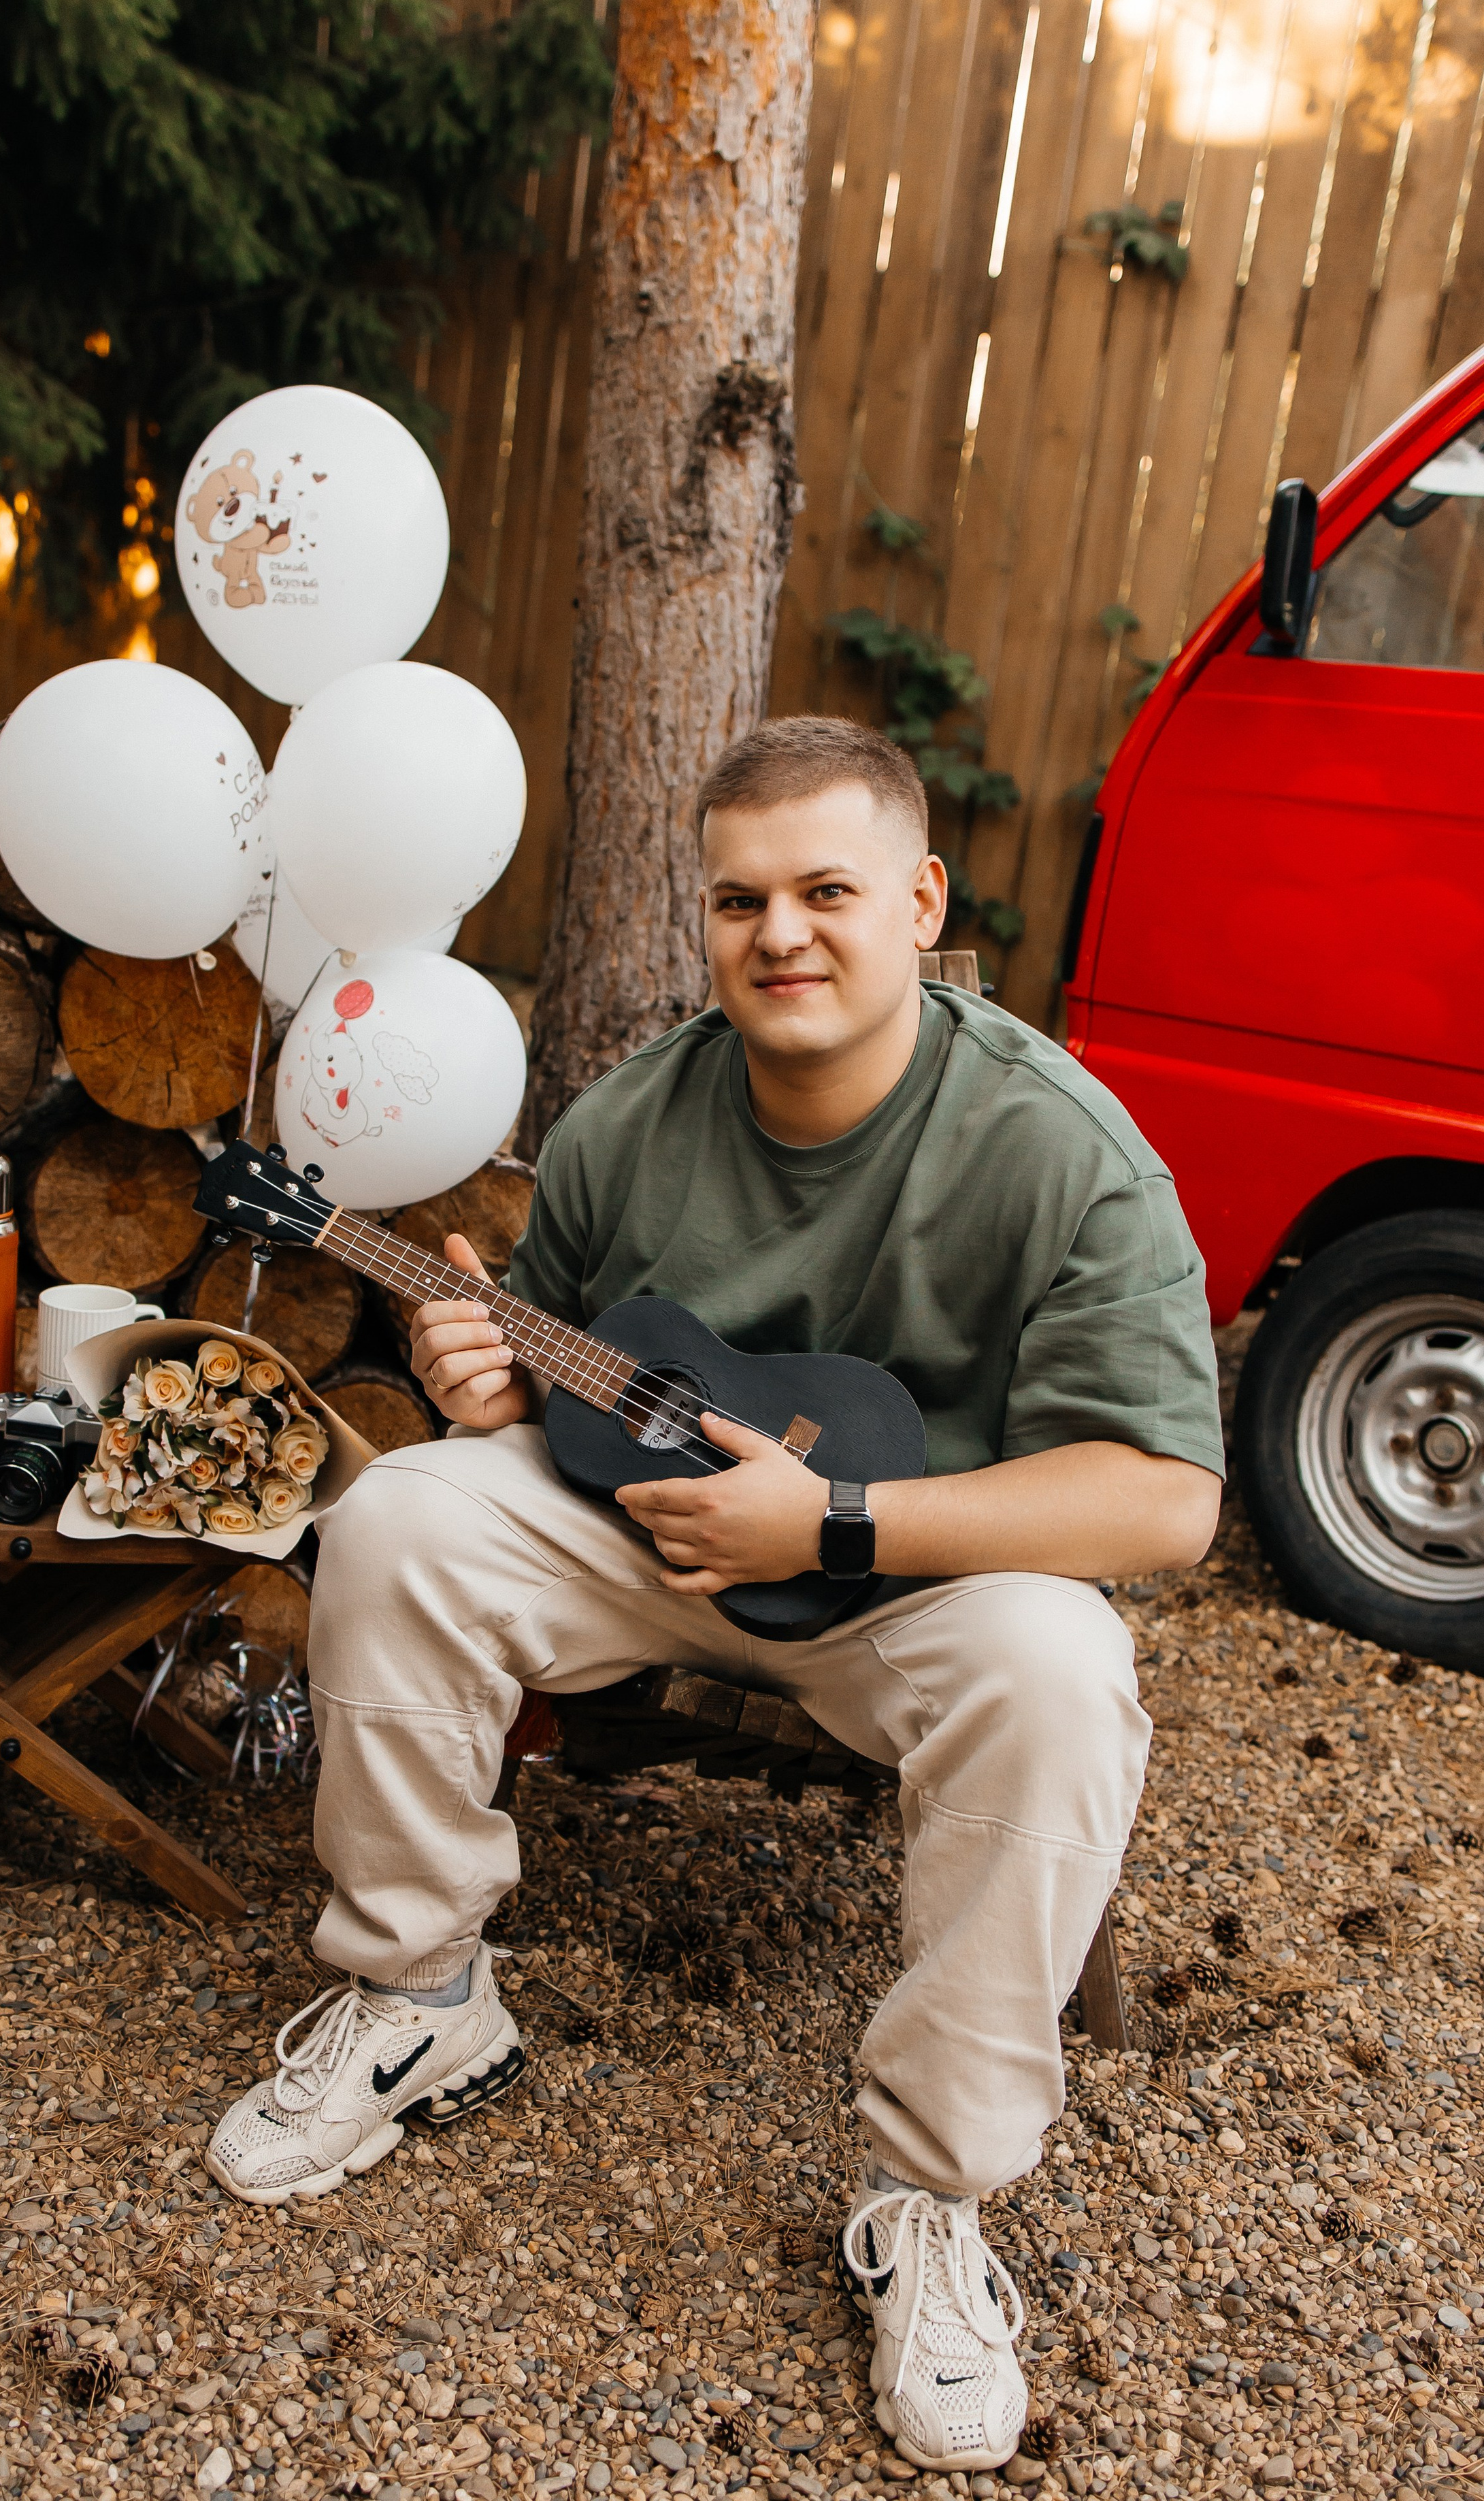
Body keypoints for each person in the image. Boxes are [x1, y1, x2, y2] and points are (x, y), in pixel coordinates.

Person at [206, 716, 1223, 2474]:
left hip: (915, 1572)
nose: (783, 934)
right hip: (658, 1539)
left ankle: (928, 2194)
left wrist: (833, 1517)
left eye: (829, 890)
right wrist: (484, 1386)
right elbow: (568, 1371)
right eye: (741, 898)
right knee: (401, 1519)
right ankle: (424, 1991)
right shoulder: (631, 1116)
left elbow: (1167, 1497)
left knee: (1065, 1671)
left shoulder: (1059, 1146)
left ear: (920, 900)